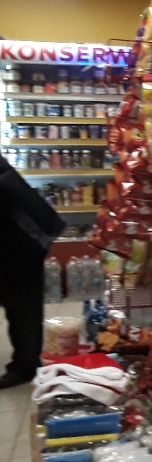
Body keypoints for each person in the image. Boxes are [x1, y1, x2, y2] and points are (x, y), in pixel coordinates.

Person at [0, 153, 65, 388]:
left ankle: (26, 364)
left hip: (19, 241)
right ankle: (26, 363)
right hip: (18, 236)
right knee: (22, 302)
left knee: (23, 304)